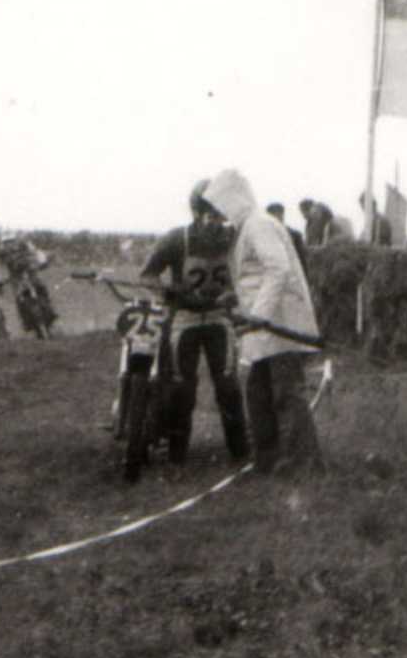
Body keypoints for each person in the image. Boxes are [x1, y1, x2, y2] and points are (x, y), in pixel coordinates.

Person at [203, 170, 324, 475]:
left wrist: (260, 314)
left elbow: (278, 269)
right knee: (258, 393)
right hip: (262, 328)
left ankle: (303, 462)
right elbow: (252, 278)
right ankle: (268, 459)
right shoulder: (247, 228)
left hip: (279, 323)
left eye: (220, 207)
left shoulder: (259, 225)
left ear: (233, 199)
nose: (218, 216)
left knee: (285, 393)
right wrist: (234, 297)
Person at [139, 180, 249, 465]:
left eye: (221, 217)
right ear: (197, 213)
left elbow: (249, 272)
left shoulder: (233, 239)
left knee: (227, 385)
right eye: (211, 216)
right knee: (180, 389)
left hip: (217, 319)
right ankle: (177, 456)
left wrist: (235, 294)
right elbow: (148, 274)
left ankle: (241, 454)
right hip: (184, 320)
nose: (217, 225)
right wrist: (167, 292)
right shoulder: (177, 239)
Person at [0, 231, 57, 323]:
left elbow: (36, 252)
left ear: (14, 240)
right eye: (6, 242)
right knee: (19, 298)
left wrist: (42, 261)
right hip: (16, 276)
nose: (9, 244)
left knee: (41, 286)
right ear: (3, 243)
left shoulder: (24, 244)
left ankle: (50, 308)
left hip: (30, 270)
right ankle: (25, 320)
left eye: (11, 241)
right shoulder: (1, 253)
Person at [266, 203, 309, 279]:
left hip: (293, 276)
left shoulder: (295, 235)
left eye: (278, 215)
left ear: (282, 215)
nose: (277, 218)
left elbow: (302, 260)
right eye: (274, 215)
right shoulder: (265, 237)